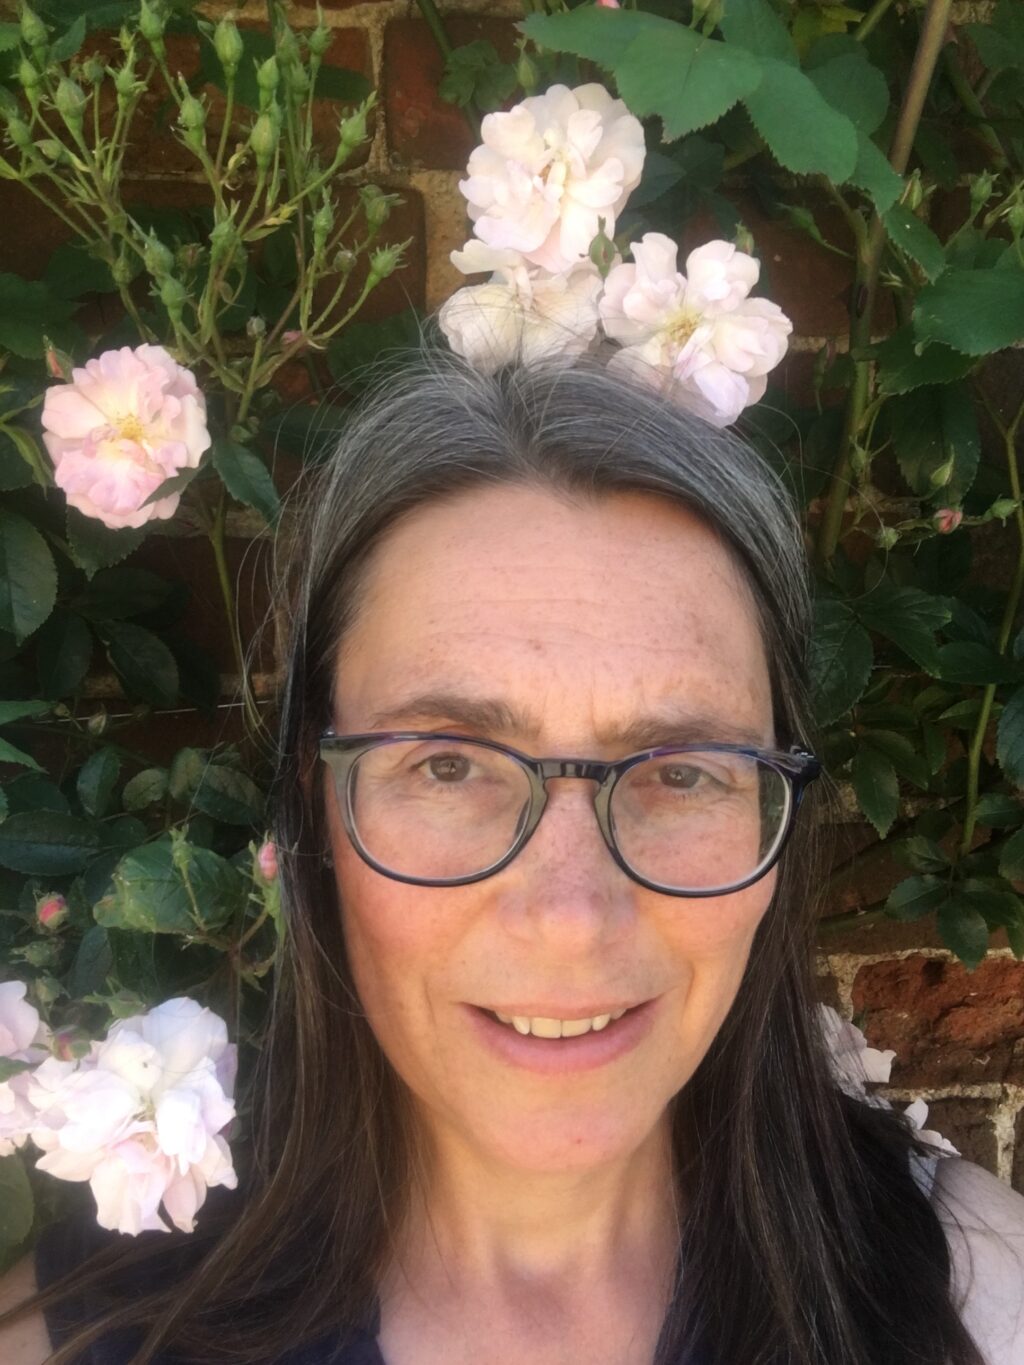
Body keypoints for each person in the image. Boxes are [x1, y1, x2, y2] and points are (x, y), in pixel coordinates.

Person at [2, 351, 1023, 1365]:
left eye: (682, 771)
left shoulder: (982, 1295)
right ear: (316, 806)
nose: (571, 917)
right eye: (448, 766)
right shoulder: (71, 1341)